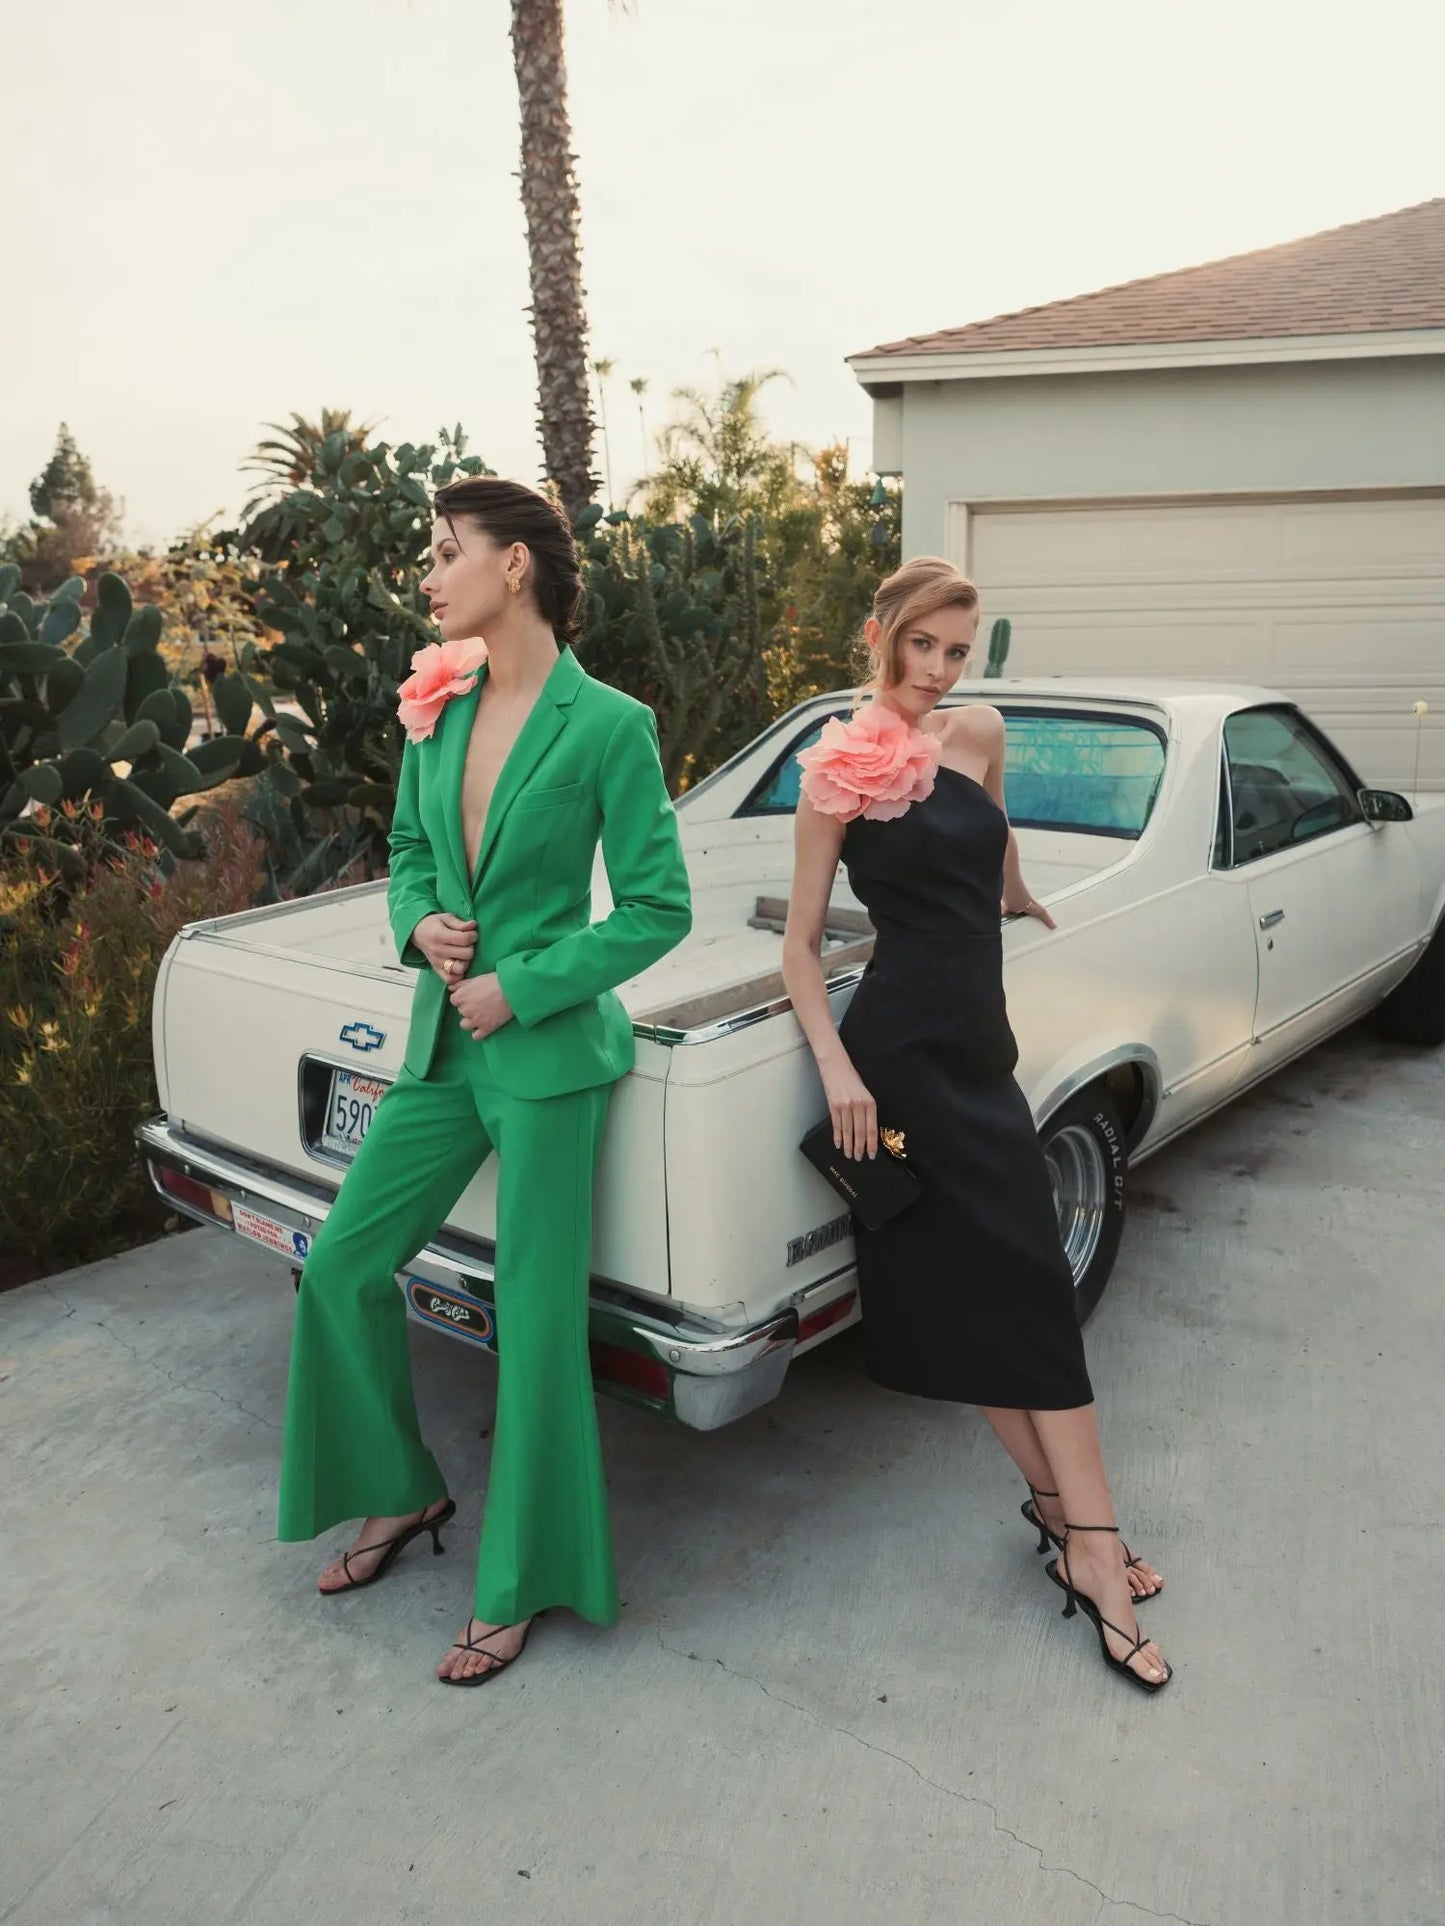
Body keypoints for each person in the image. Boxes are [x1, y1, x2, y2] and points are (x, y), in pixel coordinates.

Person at [277, 477, 692, 1686]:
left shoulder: (608, 724)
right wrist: (418, 925)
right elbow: (411, 851)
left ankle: (522, 1581)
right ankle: (398, 1491)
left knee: (537, 1322)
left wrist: (526, 985)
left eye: (444, 550)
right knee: (342, 1263)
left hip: (546, 1056)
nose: (427, 574)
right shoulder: (438, 708)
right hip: (440, 1052)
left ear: (513, 565)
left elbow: (658, 907)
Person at [781, 556, 1172, 1693]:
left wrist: (1018, 889)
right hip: (895, 1061)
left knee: (1026, 1283)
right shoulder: (835, 776)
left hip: (978, 1051)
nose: (940, 671)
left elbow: (990, 839)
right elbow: (800, 947)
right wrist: (838, 1072)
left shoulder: (980, 733)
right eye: (923, 647)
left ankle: (1063, 1516)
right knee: (977, 1292)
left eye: (956, 651)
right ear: (880, 635)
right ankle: (1086, 1540)